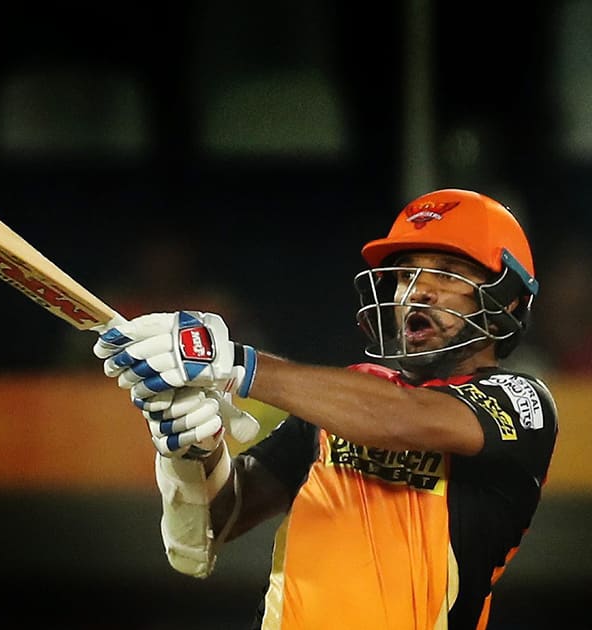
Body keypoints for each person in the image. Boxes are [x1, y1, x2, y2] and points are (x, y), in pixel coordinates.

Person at [92, 188, 559, 629]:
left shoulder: (522, 402)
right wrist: (193, 448)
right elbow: (208, 531)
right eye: (404, 274)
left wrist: (233, 362)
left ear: (508, 300)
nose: (417, 291)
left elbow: (402, 417)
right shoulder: (344, 401)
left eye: (445, 273)